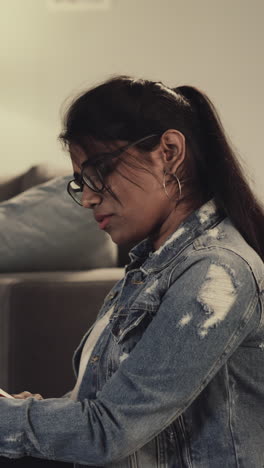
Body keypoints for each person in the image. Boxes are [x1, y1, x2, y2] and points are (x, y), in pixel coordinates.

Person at [0, 75, 263, 468]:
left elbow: (108, 432)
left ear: (169, 152)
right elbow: (104, 413)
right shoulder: (151, 266)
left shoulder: (216, 274)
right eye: (80, 182)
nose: (87, 198)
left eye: (98, 172)